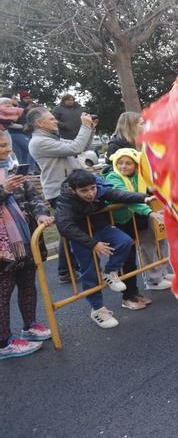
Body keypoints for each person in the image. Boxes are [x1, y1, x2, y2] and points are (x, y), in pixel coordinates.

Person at [55, 170, 154, 328]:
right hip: (81, 236)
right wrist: (93, 244)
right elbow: (65, 226)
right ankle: (98, 309)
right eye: (84, 191)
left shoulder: (99, 188)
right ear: (73, 190)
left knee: (125, 241)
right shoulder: (65, 201)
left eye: (92, 188)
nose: (90, 194)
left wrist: (144, 198)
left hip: (101, 226)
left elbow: (117, 195)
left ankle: (110, 272)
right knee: (90, 271)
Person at [0, 130, 54, 359]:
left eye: (7, 144)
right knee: (3, 291)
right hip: (4, 248)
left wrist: (41, 214)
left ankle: (29, 325)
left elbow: (34, 198)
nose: (7, 149)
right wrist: (5, 190)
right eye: (2, 146)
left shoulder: (13, 168)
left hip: (26, 239)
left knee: (28, 284)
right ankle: (4, 342)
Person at [27, 107, 96, 283]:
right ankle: (67, 271)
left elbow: (81, 148)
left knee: (70, 231)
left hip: (68, 188)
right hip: (59, 191)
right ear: (39, 123)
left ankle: (66, 270)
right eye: (51, 119)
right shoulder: (39, 142)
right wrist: (84, 127)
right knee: (71, 231)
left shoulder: (52, 138)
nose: (55, 121)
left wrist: (91, 128)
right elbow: (75, 147)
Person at [105, 148, 173, 292]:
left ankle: (162, 273)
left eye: (128, 163)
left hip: (138, 216)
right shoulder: (113, 177)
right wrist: (149, 211)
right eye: (120, 163)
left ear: (136, 165)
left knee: (157, 241)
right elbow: (127, 198)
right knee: (141, 249)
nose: (123, 166)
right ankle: (152, 280)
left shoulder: (140, 175)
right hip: (123, 220)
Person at [7, 92, 35, 171]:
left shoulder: (20, 107)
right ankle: (30, 171)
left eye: (30, 98)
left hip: (24, 133)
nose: (29, 100)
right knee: (32, 149)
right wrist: (23, 126)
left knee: (24, 154)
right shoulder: (11, 109)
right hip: (16, 133)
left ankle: (23, 173)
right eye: (14, 98)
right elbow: (9, 123)